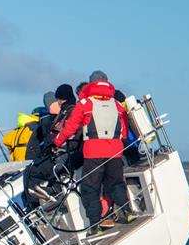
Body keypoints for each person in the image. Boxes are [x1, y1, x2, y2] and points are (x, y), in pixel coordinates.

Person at [54, 70, 137, 235]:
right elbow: (125, 132)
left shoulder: (85, 104)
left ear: (91, 84)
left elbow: (70, 128)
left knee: (90, 189)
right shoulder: (117, 105)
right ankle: (128, 212)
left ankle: (95, 225)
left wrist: (56, 142)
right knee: (115, 184)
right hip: (115, 151)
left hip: (93, 152)